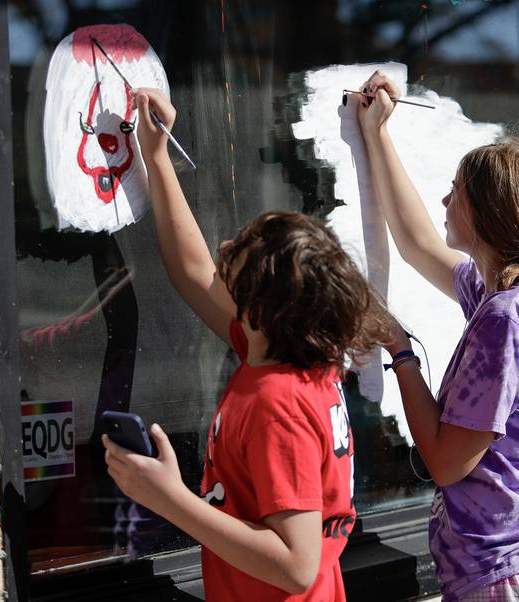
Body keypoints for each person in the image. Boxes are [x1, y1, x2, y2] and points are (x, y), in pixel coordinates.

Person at [101, 87, 392, 601]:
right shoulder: (294, 359)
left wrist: (170, 500)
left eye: (239, 254)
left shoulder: (277, 401)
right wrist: (155, 156)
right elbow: (193, 273)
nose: (223, 248)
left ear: (262, 308)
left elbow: (297, 566)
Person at [355, 70, 519, 601]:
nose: (445, 202)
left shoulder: (507, 318)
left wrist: (400, 350)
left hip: (514, 581)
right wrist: (378, 132)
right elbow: (416, 242)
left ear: (489, 218)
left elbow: (448, 462)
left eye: (455, 194)